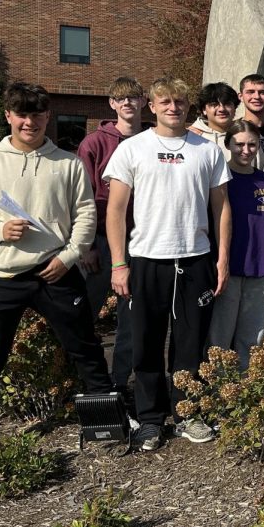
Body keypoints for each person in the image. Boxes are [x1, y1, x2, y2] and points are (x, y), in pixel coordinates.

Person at [0, 82, 116, 478]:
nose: (30, 122)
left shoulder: (67, 163)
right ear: (8, 116)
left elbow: (85, 216)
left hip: (55, 272)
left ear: (47, 116)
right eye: (22, 114)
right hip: (1, 274)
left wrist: (69, 256)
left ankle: (108, 420)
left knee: (86, 347)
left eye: (37, 114)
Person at [104, 76, 232, 451]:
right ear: (153, 106)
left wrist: (221, 258)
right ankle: (150, 419)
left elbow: (222, 208)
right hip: (146, 260)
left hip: (195, 259)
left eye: (179, 101)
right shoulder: (133, 149)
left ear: (188, 106)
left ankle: (187, 412)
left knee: (190, 343)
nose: (173, 107)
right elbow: (115, 210)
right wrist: (117, 263)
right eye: (165, 102)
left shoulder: (207, 151)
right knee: (145, 342)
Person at [76, 76, 145, 399]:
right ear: (112, 104)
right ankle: (82, 378)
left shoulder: (151, 142)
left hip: (140, 241)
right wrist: (88, 245)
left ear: (144, 103)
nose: (128, 103)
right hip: (102, 241)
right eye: (122, 99)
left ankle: (120, 380)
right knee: (83, 315)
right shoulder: (94, 144)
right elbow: (83, 198)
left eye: (134, 97)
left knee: (130, 318)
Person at [209, 122, 264, 368]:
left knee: (253, 335)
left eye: (251, 144)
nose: (246, 150)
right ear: (228, 144)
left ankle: (245, 389)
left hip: (263, 267)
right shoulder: (220, 181)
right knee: (221, 333)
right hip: (229, 267)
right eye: (239, 144)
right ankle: (217, 386)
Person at [189, 82, 239, 160]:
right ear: (204, 110)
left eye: (227, 104)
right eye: (214, 104)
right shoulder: (190, 136)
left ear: (235, 107)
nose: (221, 109)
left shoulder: (246, 135)